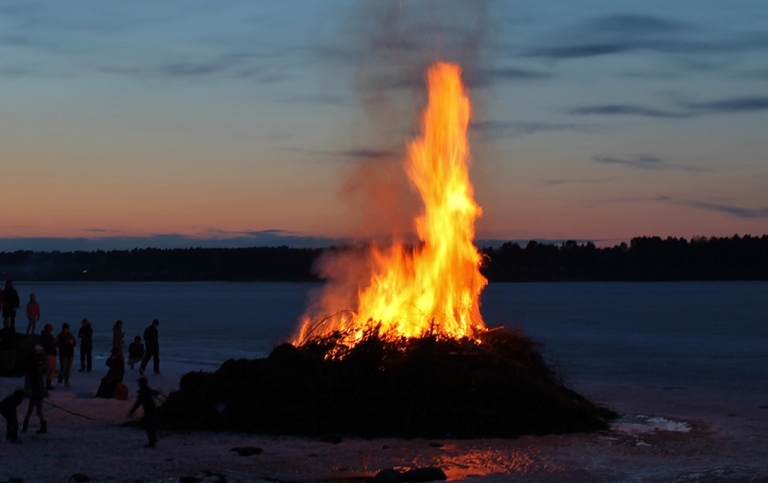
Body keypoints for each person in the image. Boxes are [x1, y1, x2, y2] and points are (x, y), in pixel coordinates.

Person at [128, 377, 159, 448]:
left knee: (149, 427)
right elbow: (156, 393)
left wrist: (132, 412)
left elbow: (137, 403)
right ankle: (153, 440)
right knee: (151, 425)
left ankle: (152, 442)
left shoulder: (142, 393)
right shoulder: (148, 390)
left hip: (149, 410)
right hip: (153, 410)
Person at [22, 345, 47, 434]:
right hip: (36, 392)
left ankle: (26, 426)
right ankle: (41, 427)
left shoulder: (34, 371)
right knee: (34, 410)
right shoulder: (35, 371)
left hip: (36, 392)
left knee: (35, 410)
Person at [55, 323, 76, 387]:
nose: (67, 330)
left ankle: (66, 382)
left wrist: (72, 343)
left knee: (68, 369)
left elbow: (74, 343)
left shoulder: (70, 335)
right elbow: (57, 344)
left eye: (68, 329)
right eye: (66, 329)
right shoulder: (60, 335)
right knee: (63, 368)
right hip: (63, 353)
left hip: (70, 353)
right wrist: (65, 343)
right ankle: (60, 381)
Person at [40, 324, 57, 390]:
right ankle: (47, 384)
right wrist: (53, 342)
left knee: (53, 369)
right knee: (49, 368)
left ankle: (48, 383)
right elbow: (47, 344)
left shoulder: (48, 336)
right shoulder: (45, 336)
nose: (51, 330)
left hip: (52, 353)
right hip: (49, 353)